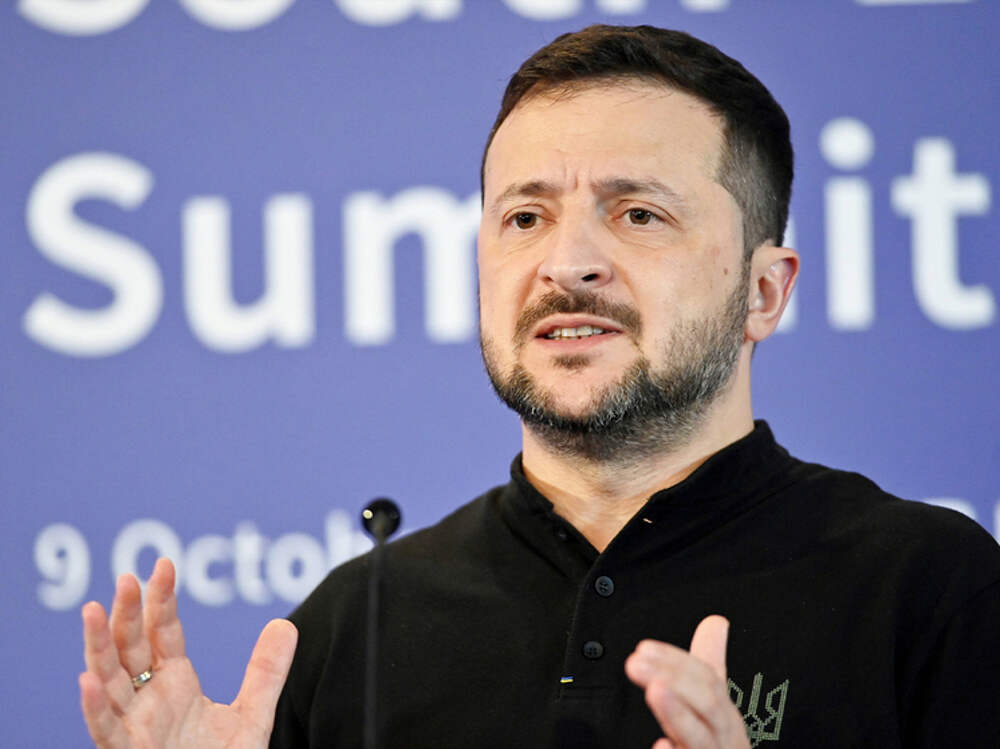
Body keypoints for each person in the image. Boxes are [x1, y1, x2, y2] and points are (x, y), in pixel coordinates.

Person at [80, 25, 1000, 749]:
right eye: (525, 217)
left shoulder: (933, 592)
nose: (568, 263)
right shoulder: (351, 630)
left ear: (764, 291)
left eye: (638, 213)